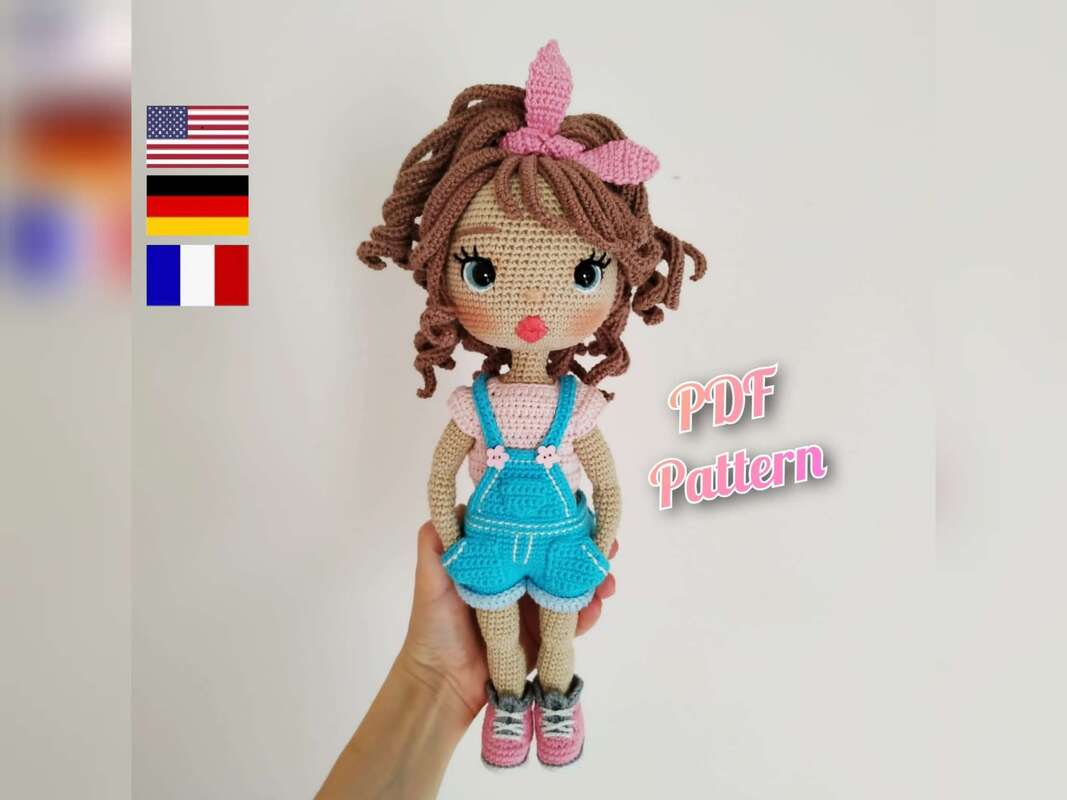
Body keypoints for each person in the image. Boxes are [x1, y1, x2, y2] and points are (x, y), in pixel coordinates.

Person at [316, 512, 616, 798]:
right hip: (498, 549)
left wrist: (597, 554)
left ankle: (555, 700)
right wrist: (454, 547)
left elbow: (607, 488)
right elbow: (440, 486)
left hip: (554, 545)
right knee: (504, 641)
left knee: (556, 639)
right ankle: (509, 702)